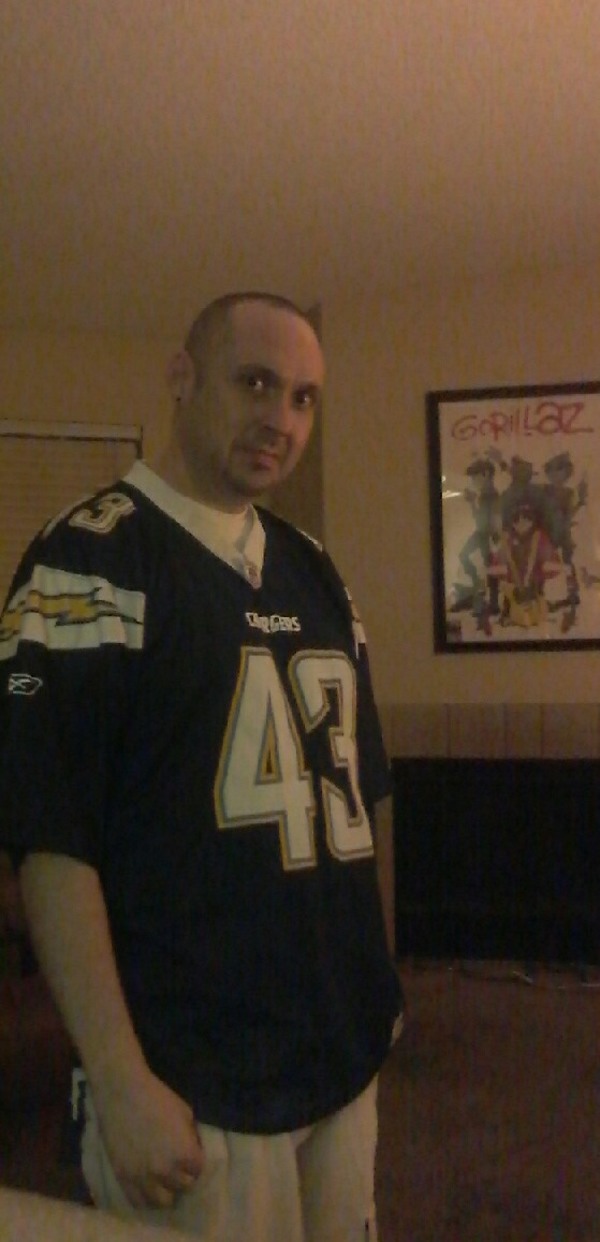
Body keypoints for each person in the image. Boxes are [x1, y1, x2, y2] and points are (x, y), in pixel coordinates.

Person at [0, 292, 403, 1242]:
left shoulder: (314, 568)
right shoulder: (89, 558)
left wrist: (377, 979)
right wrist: (118, 1076)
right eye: (254, 381)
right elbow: (52, 840)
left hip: (337, 1047)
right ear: (182, 377)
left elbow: (363, 795)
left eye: (303, 397)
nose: (281, 418)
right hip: (195, 1073)